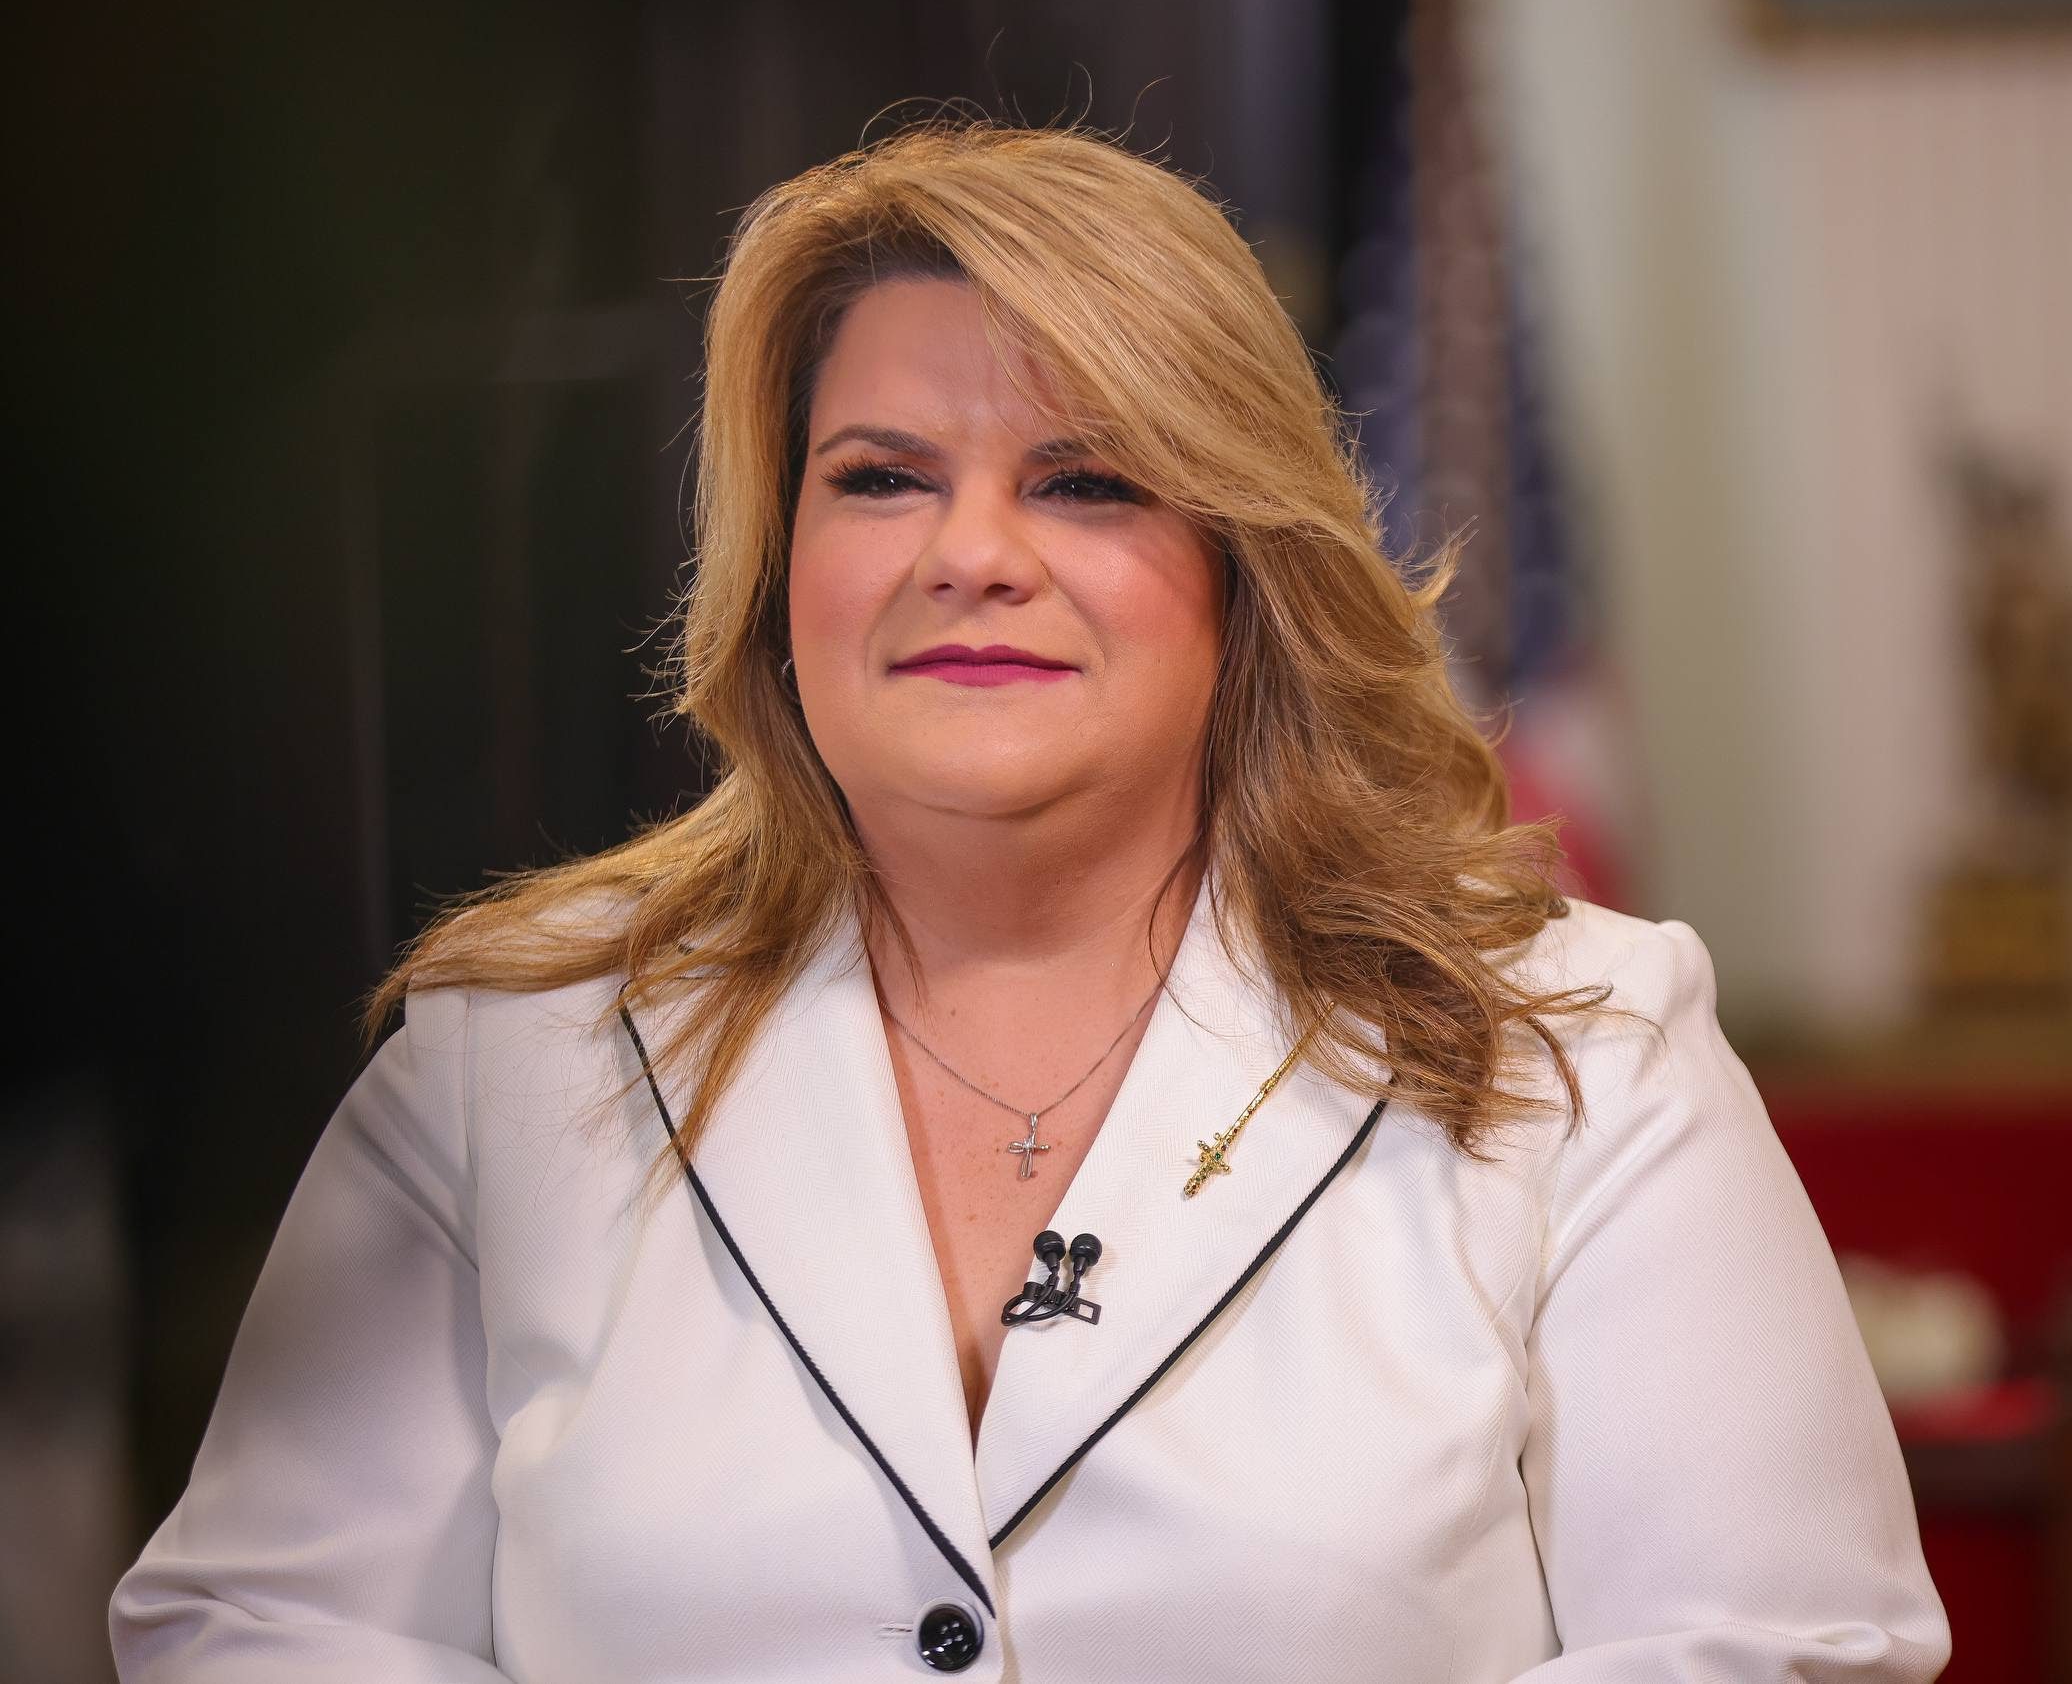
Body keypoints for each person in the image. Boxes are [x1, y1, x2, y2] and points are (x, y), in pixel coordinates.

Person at [109, 122, 1950, 1682]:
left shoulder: (1582, 1050)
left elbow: (1786, 1648)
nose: (971, 553)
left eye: (1084, 481)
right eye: (880, 479)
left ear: (1242, 564)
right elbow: (251, 1630)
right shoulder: (508, 1059)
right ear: (778, 570)